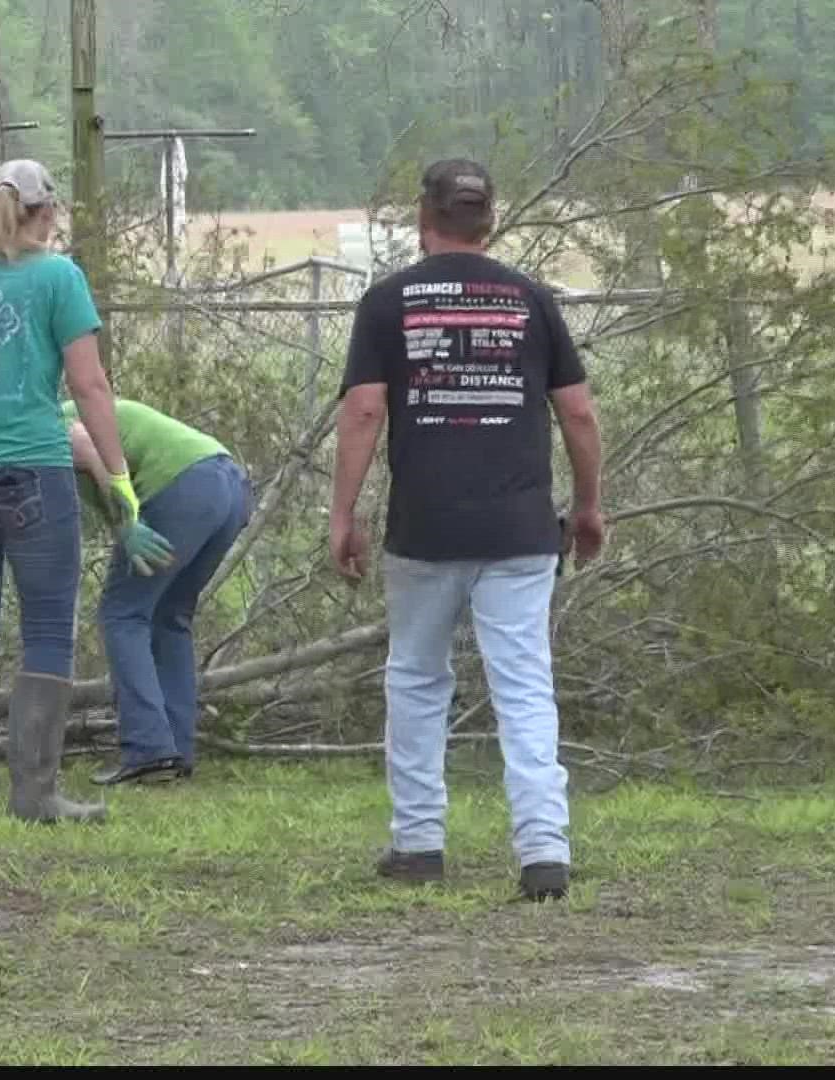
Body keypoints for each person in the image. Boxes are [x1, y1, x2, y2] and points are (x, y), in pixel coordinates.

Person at [327, 159, 606, 902]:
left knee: (417, 679)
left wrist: (343, 514)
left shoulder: (389, 302)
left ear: (424, 217)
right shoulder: (532, 299)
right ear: (490, 220)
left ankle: (419, 843)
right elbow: (577, 412)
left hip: (425, 528)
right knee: (523, 687)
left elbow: (362, 412)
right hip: (519, 529)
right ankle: (544, 851)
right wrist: (587, 506)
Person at [0, 159, 170, 824]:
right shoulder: (59, 277)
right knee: (47, 625)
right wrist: (118, 480)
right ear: (47, 212)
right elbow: (89, 387)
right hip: (29, 469)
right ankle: (35, 793)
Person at [58, 398, 250, 785]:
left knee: (123, 614)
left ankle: (149, 750)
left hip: (184, 486)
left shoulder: (50, 418)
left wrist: (128, 523)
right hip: (229, 486)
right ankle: (174, 752)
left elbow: (82, 443)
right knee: (169, 617)